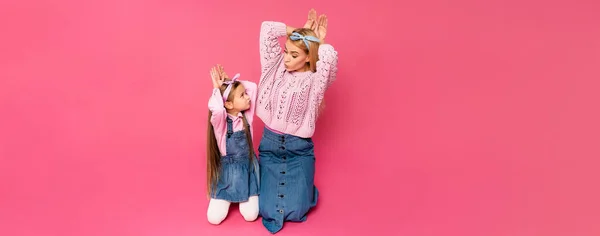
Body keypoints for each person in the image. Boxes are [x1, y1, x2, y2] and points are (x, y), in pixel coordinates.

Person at [255, 9, 339, 234]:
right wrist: (299, 33)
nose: (286, 58)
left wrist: (317, 41)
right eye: (286, 51)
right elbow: (267, 29)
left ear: (309, 58)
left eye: (294, 55)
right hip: (270, 148)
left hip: (298, 150)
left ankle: (305, 190)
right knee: (266, 210)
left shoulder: (314, 82)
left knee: (299, 210)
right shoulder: (274, 68)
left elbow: (329, 57)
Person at [205, 65, 260, 225]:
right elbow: (217, 109)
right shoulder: (221, 123)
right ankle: (227, 196)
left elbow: (253, 87)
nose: (248, 97)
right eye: (242, 95)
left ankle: (247, 195)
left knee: (251, 215)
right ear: (228, 105)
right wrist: (218, 89)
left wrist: (230, 82)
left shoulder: (246, 117)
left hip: (248, 172)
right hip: (227, 177)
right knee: (213, 219)